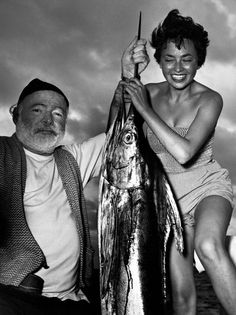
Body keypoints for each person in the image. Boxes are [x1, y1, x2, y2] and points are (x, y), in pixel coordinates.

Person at [0, 38, 149, 315]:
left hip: (72, 300)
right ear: (15, 114)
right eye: (37, 110)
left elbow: (118, 139)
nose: (48, 120)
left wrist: (127, 77)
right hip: (14, 296)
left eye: (58, 113)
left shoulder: (71, 158)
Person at [122, 9, 236, 315]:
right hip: (168, 202)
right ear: (158, 60)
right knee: (183, 298)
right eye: (169, 58)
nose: (178, 67)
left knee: (209, 246)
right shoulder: (146, 92)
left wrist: (145, 110)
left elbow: (185, 153)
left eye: (187, 58)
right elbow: (115, 129)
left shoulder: (210, 99)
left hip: (207, 187)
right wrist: (128, 74)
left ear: (199, 61)